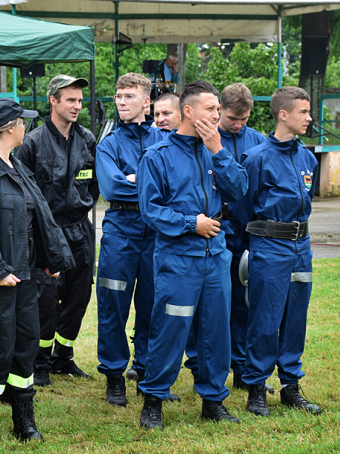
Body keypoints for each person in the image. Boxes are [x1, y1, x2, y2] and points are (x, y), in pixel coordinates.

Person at [0, 98, 74, 448]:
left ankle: (24, 420)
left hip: (23, 277)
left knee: (24, 347)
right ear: (11, 128)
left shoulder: (17, 166)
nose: (27, 126)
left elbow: (35, 220)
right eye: (23, 121)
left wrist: (49, 261)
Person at [137, 80, 248, 428]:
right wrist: (190, 223)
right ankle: (153, 400)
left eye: (218, 109)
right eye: (211, 108)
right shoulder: (158, 156)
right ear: (188, 111)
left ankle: (213, 401)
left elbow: (240, 188)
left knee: (216, 330)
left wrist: (219, 151)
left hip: (215, 256)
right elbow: (150, 211)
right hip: (178, 258)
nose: (217, 114)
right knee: (170, 327)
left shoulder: (216, 150)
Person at [240, 86, 322, 416]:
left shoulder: (308, 158)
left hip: (301, 245)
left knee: (295, 317)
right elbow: (243, 209)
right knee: (264, 317)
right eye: (304, 112)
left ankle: (291, 387)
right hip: (269, 245)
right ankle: (256, 387)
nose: (309, 117)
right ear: (283, 115)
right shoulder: (257, 158)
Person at [184, 83, 268, 392]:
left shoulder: (257, 141)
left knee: (243, 302)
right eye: (232, 118)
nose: (237, 125)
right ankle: (197, 364)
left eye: (243, 120)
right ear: (221, 110)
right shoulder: (203, 139)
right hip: (215, 230)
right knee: (207, 303)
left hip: (246, 233)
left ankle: (242, 367)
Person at [15, 74, 97, 386]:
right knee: (45, 300)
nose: (77, 106)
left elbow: (94, 186)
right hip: (47, 231)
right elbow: (23, 192)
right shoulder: (33, 142)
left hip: (80, 228)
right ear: (53, 101)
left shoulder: (87, 140)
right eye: (71, 100)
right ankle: (40, 362)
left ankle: (64, 356)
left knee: (79, 295)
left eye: (80, 100)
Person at [95, 73, 169, 406]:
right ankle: (114, 376)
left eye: (128, 96)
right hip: (120, 231)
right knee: (113, 305)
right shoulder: (108, 143)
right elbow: (111, 188)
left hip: (156, 233)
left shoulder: (164, 141)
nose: (121, 102)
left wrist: (137, 180)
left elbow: (174, 188)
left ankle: (146, 371)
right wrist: (149, 186)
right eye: (118, 96)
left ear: (146, 101)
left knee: (154, 305)